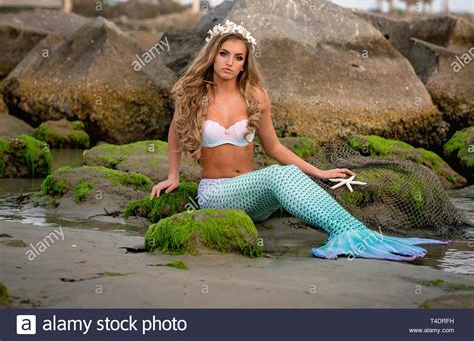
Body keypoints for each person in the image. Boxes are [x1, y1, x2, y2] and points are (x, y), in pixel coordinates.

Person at [149, 20, 450, 261]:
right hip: (216, 194)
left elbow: (274, 147)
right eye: (224, 53)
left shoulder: (256, 96)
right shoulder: (193, 94)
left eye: (238, 57)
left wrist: (319, 173)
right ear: (213, 54)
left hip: (255, 199)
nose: (229, 62)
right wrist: (173, 176)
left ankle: (351, 232)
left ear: (244, 63)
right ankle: (348, 232)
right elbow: (174, 134)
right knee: (281, 176)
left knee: (284, 175)